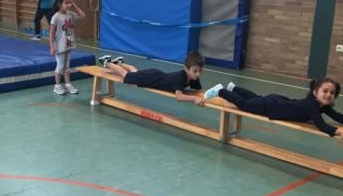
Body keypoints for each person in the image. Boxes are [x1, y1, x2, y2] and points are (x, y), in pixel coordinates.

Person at [204, 78, 343, 137]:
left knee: (256, 98)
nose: (328, 95)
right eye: (325, 91)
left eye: (332, 93)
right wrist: (337, 131)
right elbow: (320, 124)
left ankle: (234, 88)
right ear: (315, 92)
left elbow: (336, 116)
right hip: (272, 107)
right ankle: (220, 91)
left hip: (277, 102)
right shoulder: (311, 104)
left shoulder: (323, 105)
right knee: (245, 105)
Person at [98, 51, 206, 105]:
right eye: (195, 71)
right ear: (186, 68)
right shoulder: (181, 76)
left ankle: (119, 63)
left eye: (200, 71)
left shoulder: (194, 78)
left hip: (155, 75)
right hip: (151, 79)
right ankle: (106, 62)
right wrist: (194, 99)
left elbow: (200, 91)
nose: (198, 74)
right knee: (126, 76)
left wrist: (205, 97)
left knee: (135, 72)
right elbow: (179, 97)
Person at [49, 0, 85, 95]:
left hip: (68, 43)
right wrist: (52, 47)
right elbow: (51, 33)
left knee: (67, 66)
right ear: (59, 4)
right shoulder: (56, 17)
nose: (69, 5)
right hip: (60, 46)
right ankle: (57, 86)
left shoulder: (70, 14)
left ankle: (68, 84)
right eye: (66, 3)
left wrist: (75, 6)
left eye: (70, 3)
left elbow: (82, 16)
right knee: (60, 66)